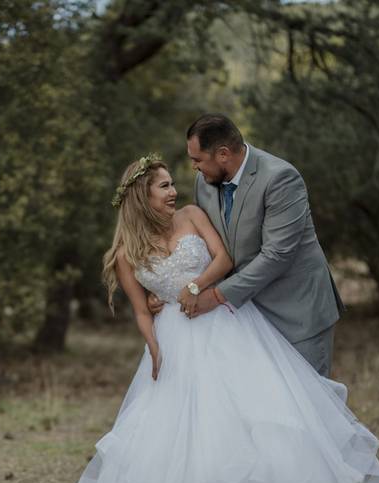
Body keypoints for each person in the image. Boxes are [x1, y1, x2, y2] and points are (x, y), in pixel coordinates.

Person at [61, 153, 379, 483]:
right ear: (142, 196)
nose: (174, 191)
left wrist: (196, 286)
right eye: (163, 186)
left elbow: (224, 260)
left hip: (224, 322)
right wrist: (154, 347)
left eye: (171, 184)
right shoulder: (127, 252)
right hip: (175, 342)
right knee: (190, 433)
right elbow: (141, 309)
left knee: (261, 416)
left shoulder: (194, 215)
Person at [146, 114, 345, 377]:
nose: (193, 167)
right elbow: (206, 247)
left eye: (197, 160)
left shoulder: (280, 179)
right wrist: (166, 289)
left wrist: (216, 296)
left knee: (309, 407)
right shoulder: (204, 183)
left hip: (297, 311)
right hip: (244, 320)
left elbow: (277, 255)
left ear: (223, 154)